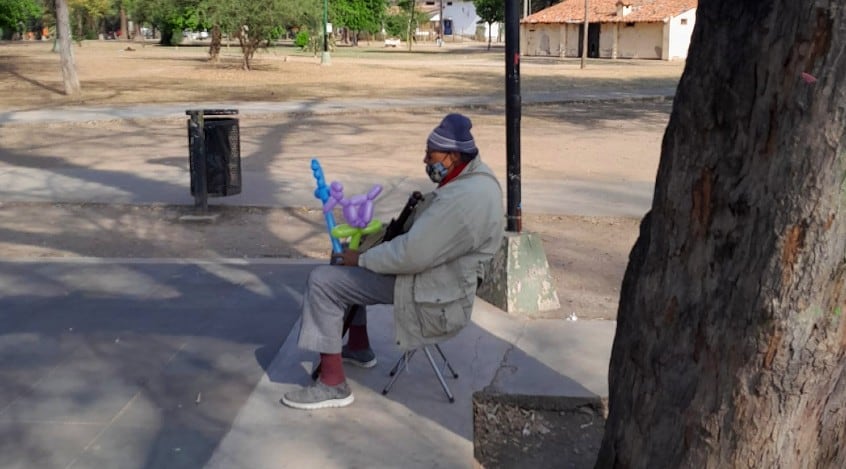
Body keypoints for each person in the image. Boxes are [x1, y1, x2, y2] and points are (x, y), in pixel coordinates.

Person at [281, 113, 505, 410]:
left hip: (432, 289)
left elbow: (412, 254)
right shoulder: (476, 177)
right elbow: (423, 239)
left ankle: (332, 385)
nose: (425, 159)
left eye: (431, 153)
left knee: (323, 282)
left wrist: (362, 259)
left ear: (452, 156)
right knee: (348, 257)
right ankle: (359, 347)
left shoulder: (462, 197)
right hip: (439, 278)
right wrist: (369, 246)